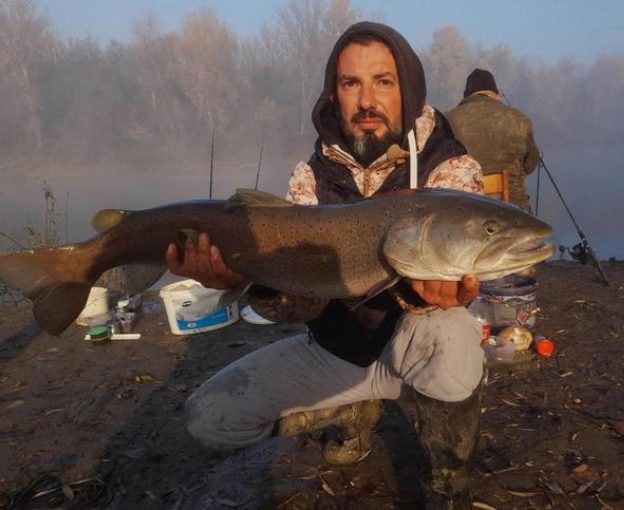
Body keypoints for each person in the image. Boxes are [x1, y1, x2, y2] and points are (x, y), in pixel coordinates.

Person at [165, 22, 486, 508]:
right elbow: (299, 307)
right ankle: (352, 408)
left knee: (454, 331)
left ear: (408, 88)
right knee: (208, 418)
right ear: (333, 94)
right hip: (335, 346)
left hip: (411, 347)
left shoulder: (451, 166)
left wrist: (437, 292)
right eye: (350, 83)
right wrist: (246, 281)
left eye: (383, 81)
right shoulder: (308, 176)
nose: (366, 100)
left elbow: (464, 263)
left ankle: (448, 478)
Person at [445, 68, 540, 210]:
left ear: (467, 96)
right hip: (515, 214)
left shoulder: (447, 120)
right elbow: (530, 165)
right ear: (495, 94)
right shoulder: (520, 120)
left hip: (466, 214)